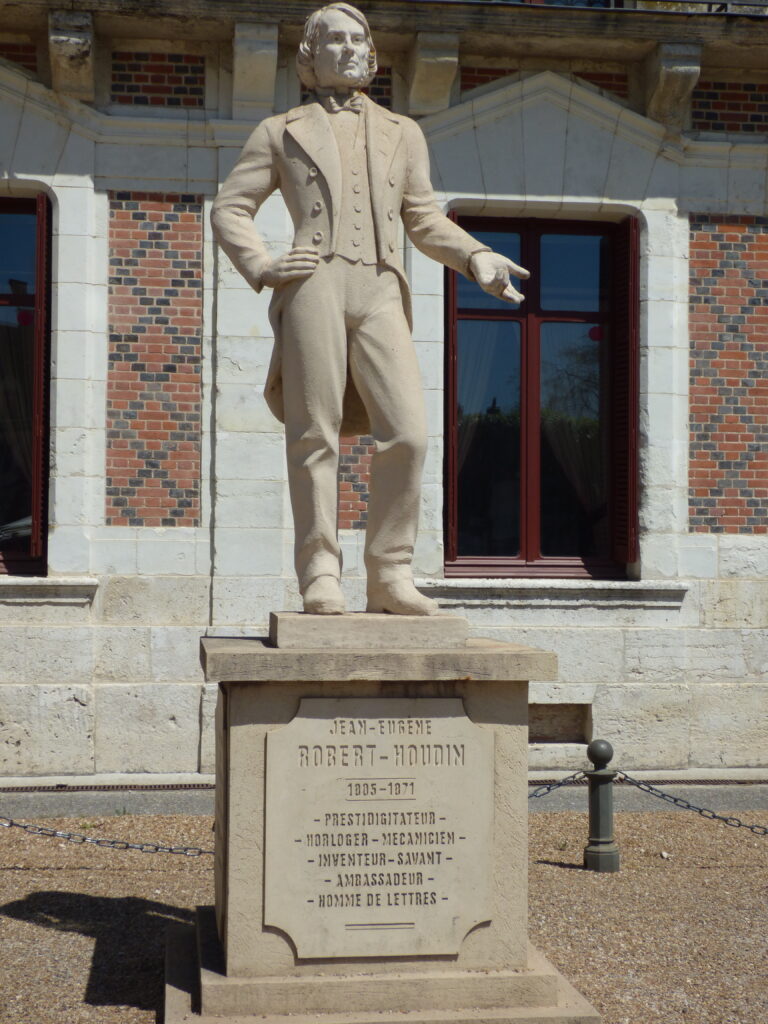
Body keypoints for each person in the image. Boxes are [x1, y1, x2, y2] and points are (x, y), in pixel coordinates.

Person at [211, 2, 528, 615]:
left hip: (382, 288)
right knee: (313, 437)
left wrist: (475, 257)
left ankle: (389, 571)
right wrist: (263, 264)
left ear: (372, 54)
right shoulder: (280, 130)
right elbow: (231, 207)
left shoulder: (403, 132)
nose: (350, 49)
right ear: (310, 56)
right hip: (313, 286)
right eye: (335, 40)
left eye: (359, 39)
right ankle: (320, 574)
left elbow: (423, 218)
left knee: (408, 433)